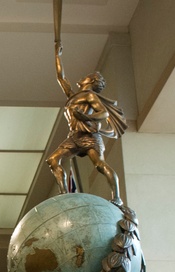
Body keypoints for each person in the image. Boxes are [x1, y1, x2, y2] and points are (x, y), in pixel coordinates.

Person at [46, 40, 127, 201]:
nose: (82, 77)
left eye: (86, 76)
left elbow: (103, 113)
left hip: (89, 136)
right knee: (53, 160)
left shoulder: (90, 96)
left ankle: (117, 197)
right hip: (74, 136)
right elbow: (61, 78)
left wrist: (87, 117)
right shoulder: (72, 96)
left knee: (99, 165)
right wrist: (57, 55)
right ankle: (63, 194)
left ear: (90, 81)